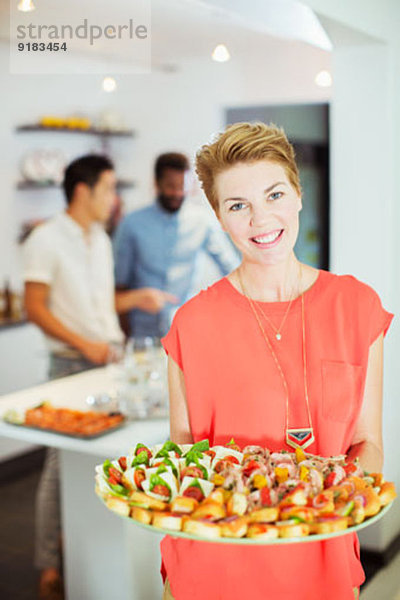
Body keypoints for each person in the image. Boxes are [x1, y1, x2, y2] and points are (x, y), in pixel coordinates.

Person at [160, 122, 394, 600]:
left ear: (299, 195)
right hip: (210, 570)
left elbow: (368, 442)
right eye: (237, 205)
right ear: (220, 218)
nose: (261, 220)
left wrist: (337, 497)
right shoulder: (191, 323)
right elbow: (183, 458)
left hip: (322, 566)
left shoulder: (357, 307)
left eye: (274, 194)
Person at [22, 154, 173, 600]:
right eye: (109, 188)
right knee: (57, 466)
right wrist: (85, 344)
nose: (115, 198)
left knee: (106, 456)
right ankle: (49, 566)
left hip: (109, 360)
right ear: (83, 190)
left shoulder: (100, 240)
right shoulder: (45, 239)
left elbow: (98, 301)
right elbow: (35, 306)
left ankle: (87, 549)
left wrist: (135, 299)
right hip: (71, 363)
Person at [113, 152, 239, 338]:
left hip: (187, 328)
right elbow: (119, 284)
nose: (177, 193)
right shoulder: (131, 224)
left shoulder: (202, 221)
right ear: (156, 184)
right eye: (171, 186)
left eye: (183, 187)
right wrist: (123, 333)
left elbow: (232, 269)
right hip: (140, 331)